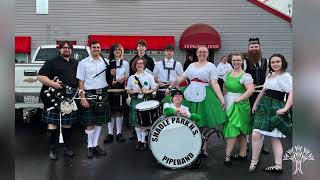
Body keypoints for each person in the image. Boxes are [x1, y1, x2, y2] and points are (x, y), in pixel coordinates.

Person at [169, 46, 227, 157]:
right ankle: (190, 146)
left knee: (203, 122)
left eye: (204, 52)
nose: (202, 53)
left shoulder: (211, 66)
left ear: (208, 54)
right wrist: (170, 88)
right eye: (200, 51)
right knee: (188, 120)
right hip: (189, 92)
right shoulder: (191, 65)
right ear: (196, 53)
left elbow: (214, 83)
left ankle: (203, 148)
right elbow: (181, 78)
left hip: (204, 94)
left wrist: (221, 98)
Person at [248, 54, 293, 173]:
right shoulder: (270, 75)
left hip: (276, 107)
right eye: (273, 62)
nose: (275, 64)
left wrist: (285, 108)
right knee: (255, 134)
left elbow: (292, 93)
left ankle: (278, 166)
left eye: (278, 61)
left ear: (283, 62)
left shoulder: (286, 76)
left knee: (274, 138)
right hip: (264, 106)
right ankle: (254, 161)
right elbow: (264, 90)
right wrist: (255, 104)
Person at [37, 41, 78, 160]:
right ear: (59, 50)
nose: (67, 49)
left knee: (67, 124)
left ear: (71, 50)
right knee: (53, 124)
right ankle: (52, 150)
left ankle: (67, 148)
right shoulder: (51, 62)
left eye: (69, 48)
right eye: (64, 48)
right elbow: (40, 76)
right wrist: (52, 84)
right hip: (53, 97)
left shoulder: (75, 63)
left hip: (69, 98)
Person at [77, 41, 115, 158]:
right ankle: (89, 146)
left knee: (99, 122)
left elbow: (110, 79)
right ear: (90, 49)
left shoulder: (106, 62)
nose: (96, 49)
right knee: (90, 123)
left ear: (100, 49)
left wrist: (112, 73)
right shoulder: (83, 63)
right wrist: (82, 97)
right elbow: (81, 81)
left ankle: (95, 145)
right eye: (94, 47)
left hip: (102, 94)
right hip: (89, 94)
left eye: (98, 47)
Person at [222, 53, 254, 166]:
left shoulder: (246, 76)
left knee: (234, 129)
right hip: (229, 102)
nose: (236, 62)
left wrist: (240, 99)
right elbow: (225, 88)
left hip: (240, 104)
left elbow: (250, 90)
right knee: (239, 131)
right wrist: (222, 100)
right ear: (231, 61)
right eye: (234, 60)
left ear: (242, 61)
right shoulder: (228, 74)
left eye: (238, 60)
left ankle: (227, 156)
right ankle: (242, 154)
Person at [244, 37, 270, 154]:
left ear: (259, 48)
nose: (254, 49)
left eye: (256, 47)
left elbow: (269, 76)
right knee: (248, 119)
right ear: (248, 49)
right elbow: (241, 76)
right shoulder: (245, 61)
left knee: (261, 119)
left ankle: (261, 143)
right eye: (251, 47)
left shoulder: (267, 61)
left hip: (262, 94)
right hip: (249, 94)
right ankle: (247, 143)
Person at [126, 57, 158, 151]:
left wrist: (148, 91)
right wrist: (133, 91)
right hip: (135, 100)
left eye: (141, 63)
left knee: (143, 122)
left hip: (145, 100)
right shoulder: (131, 78)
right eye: (137, 64)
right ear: (135, 65)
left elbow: (155, 88)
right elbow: (128, 90)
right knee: (136, 122)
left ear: (144, 65)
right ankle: (139, 141)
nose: (139, 65)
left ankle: (143, 141)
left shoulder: (149, 76)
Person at [104, 43, 129, 144]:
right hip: (110, 89)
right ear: (112, 52)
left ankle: (119, 133)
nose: (117, 51)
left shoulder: (125, 63)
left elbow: (127, 76)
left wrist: (121, 79)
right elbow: (105, 78)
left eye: (119, 50)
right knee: (111, 112)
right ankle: (110, 133)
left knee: (119, 112)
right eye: (115, 50)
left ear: (122, 51)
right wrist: (111, 77)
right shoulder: (108, 62)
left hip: (120, 89)